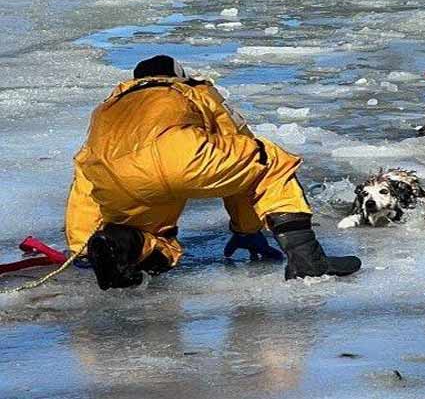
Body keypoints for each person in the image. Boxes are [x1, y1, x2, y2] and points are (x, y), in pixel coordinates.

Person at [65, 55, 360, 290]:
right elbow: (241, 148)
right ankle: (307, 259)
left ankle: (122, 247)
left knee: (153, 237)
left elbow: (84, 173)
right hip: (181, 157)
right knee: (269, 159)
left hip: (116, 176)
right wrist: (248, 229)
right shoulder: (192, 90)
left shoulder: (108, 107)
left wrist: (82, 247)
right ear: (177, 75)